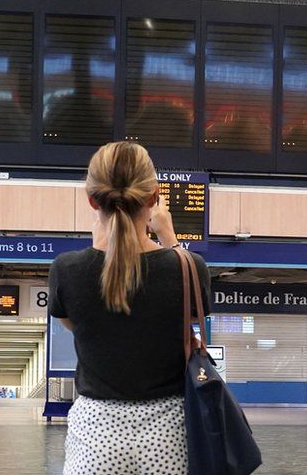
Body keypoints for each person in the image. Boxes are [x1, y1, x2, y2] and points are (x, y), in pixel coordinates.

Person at [48, 142, 210, 475]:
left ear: (93, 200)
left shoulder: (67, 269)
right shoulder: (189, 267)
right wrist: (169, 239)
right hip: (167, 434)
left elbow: (80, 326)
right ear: (153, 199)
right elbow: (185, 317)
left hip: (96, 435)